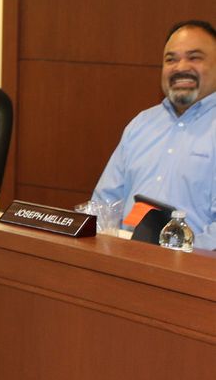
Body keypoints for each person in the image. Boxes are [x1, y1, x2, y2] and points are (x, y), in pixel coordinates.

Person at [92, 19, 216, 249]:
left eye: (194, 57)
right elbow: (104, 203)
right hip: (124, 259)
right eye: (171, 59)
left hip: (195, 273)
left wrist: (175, 257)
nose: (180, 67)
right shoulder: (141, 124)